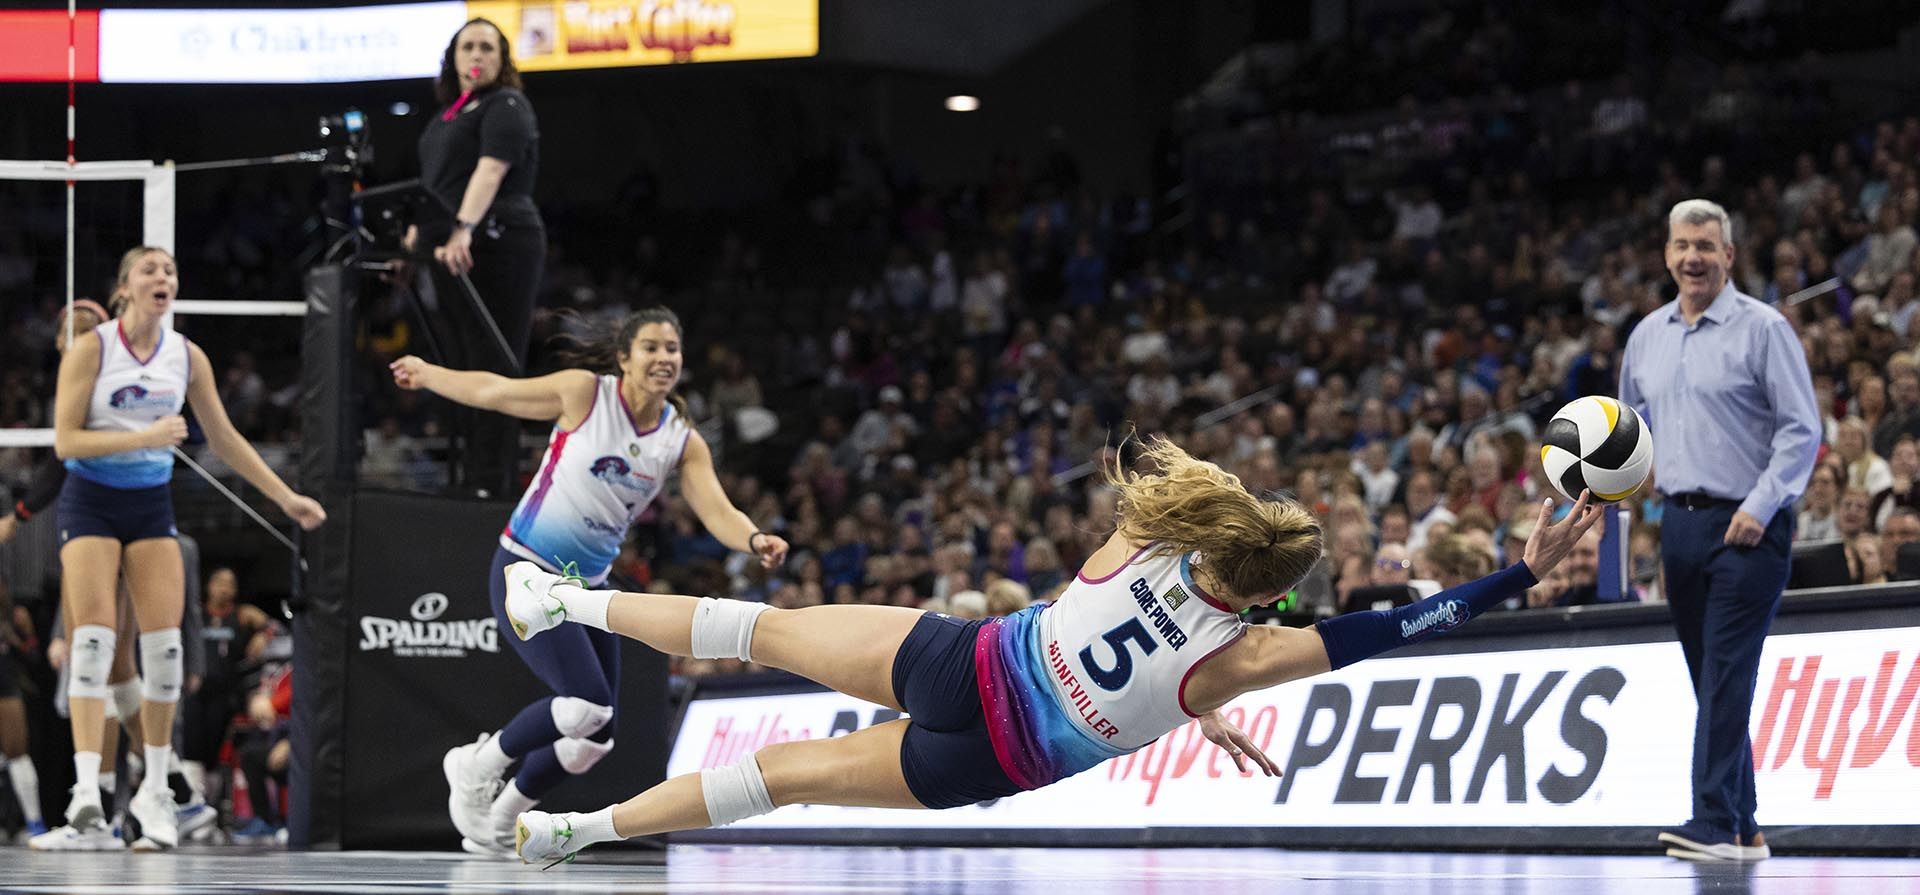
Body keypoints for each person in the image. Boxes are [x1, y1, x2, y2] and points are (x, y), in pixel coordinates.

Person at [499, 437, 1601, 864]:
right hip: (989, 762)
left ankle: (562, 603)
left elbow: (1166, 615)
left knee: (761, 633)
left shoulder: (1150, 534)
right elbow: (1391, 630)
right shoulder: (1254, 658)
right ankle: (574, 832)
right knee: (777, 781)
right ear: (1276, 595)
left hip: (965, 668)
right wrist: (1520, 572)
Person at [389, 306, 789, 858]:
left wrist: (752, 538)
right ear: (624, 358)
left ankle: (500, 820)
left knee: (595, 739)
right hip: (526, 569)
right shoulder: (586, 395)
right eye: (651, 347)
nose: (664, 358)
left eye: (672, 348)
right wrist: (430, 375)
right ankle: (475, 765)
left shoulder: (679, 438)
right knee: (585, 706)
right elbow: (497, 393)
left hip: (586, 587)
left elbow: (716, 509)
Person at [51, 246, 325, 850]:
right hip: (92, 500)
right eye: (150, 269)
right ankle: (85, 801)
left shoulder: (186, 356)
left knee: (167, 649)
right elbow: (66, 441)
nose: (163, 277)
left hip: (150, 504)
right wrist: (147, 434)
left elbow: (225, 439)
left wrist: (286, 498)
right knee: (93, 644)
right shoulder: (93, 348)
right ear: (124, 287)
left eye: (171, 270)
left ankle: (155, 792)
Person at [1619, 199, 1821, 862]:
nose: (1693, 257)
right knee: (1709, 678)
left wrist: (1762, 504)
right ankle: (1747, 824)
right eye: (1682, 245)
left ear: (1729, 256)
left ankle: (1713, 820)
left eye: (1706, 245)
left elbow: (1801, 429)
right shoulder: (1646, 335)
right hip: (1679, 524)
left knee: (1727, 670)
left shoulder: (1765, 329)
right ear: (1667, 254)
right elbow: (1628, 431)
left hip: (1750, 527)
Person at [405, 17, 545, 497]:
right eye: (468, 46)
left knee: (493, 360)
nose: (477, 54)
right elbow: (435, 186)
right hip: (448, 252)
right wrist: (411, 244)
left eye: (488, 46)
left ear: (503, 59)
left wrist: (464, 228)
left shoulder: (507, 105)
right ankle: (469, 477)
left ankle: (493, 483)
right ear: (454, 57)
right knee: (460, 362)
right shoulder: (445, 118)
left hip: (497, 244)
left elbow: (490, 171)